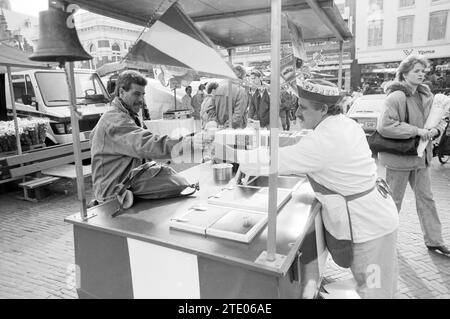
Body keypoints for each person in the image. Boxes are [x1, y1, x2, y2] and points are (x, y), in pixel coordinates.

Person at [217, 79, 400, 298]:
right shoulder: (341, 123)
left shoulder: (324, 140)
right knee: (372, 284)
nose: (296, 112)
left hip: (369, 226)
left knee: (374, 288)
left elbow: (273, 161)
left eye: (302, 107)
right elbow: (302, 144)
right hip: (374, 216)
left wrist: (230, 153)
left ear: (323, 109)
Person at [377, 54, 450, 256]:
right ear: (405, 72)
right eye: (416, 71)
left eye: (422, 71)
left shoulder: (427, 95)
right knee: (393, 202)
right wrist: (417, 131)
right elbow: (385, 126)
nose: (420, 74)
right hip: (400, 159)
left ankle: (435, 240)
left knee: (427, 199)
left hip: (420, 158)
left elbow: (439, 120)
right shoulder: (396, 96)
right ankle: (384, 240)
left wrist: (436, 131)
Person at [90, 70, 191, 203]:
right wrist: (189, 144)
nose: (141, 100)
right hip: (114, 195)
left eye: (143, 94)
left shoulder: (126, 114)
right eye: (136, 94)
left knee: (176, 183)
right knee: (178, 184)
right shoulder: (115, 120)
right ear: (121, 92)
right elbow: (147, 144)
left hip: (126, 187)